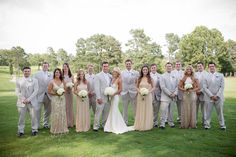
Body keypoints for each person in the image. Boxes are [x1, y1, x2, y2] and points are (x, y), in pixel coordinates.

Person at [104, 67, 134, 134]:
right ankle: (110, 126)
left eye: (115, 72)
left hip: (115, 97)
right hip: (111, 97)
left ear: (118, 73)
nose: (114, 73)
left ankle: (115, 126)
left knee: (114, 110)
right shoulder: (112, 79)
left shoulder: (119, 80)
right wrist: (109, 93)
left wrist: (113, 94)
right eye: (113, 71)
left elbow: (120, 90)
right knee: (111, 110)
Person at [15, 66, 39, 137]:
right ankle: (20, 131)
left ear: (30, 72)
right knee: (21, 117)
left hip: (31, 102)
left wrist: (28, 99)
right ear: (23, 72)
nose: (27, 72)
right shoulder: (18, 80)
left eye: (28, 71)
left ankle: (34, 130)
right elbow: (17, 91)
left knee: (33, 117)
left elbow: (36, 91)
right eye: (25, 71)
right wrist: (23, 99)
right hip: (21, 102)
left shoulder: (35, 80)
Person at [203, 62, 226, 130]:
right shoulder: (206, 76)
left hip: (219, 98)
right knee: (208, 112)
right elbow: (205, 87)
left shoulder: (221, 75)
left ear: (215, 67)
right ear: (208, 67)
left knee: (220, 112)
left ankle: (222, 125)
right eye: (210, 66)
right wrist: (211, 96)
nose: (211, 67)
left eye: (212, 66)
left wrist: (217, 96)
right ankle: (207, 125)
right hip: (209, 97)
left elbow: (222, 87)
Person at [48, 68, 69, 134]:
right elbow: (49, 91)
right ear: (54, 73)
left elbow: (65, 89)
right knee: (56, 113)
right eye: (56, 72)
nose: (57, 74)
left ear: (60, 74)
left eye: (58, 72)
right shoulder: (52, 82)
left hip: (62, 99)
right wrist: (56, 93)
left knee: (62, 112)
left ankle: (63, 128)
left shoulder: (63, 81)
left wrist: (62, 92)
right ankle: (55, 129)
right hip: (55, 99)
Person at [134, 65, 154, 131]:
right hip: (140, 96)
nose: (145, 71)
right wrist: (140, 92)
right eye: (143, 70)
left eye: (146, 70)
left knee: (147, 110)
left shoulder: (150, 79)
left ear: (148, 71)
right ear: (142, 71)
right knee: (141, 110)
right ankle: (140, 125)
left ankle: (147, 125)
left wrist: (148, 92)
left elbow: (154, 87)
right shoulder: (139, 78)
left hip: (148, 96)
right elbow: (136, 87)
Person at [93, 61, 112, 131]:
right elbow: (96, 87)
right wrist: (98, 98)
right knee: (98, 112)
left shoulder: (110, 76)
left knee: (106, 113)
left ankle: (104, 125)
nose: (105, 67)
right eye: (104, 66)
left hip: (108, 98)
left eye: (107, 66)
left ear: (108, 67)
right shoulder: (98, 76)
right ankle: (96, 126)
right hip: (101, 97)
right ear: (102, 67)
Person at [34, 62, 53, 129]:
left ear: (48, 67)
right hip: (39, 94)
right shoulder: (36, 74)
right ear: (42, 66)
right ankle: (37, 125)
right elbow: (34, 84)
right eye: (44, 66)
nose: (45, 67)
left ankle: (46, 124)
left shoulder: (51, 74)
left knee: (48, 111)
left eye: (46, 66)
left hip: (49, 95)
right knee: (37, 110)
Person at [159, 62, 178, 129]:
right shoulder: (162, 76)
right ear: (165, 67)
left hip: (173, 96)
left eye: (170, 66)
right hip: (165, 96)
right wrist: (170, 94)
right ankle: (162, 123)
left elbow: (177, 86)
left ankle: (171, 122)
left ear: (172, 67)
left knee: (171, 111)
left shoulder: (175, 76)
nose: (169, 67)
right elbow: (163, 87)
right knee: (163, 110)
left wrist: (175, 93)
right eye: (167, 66)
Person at [121, 59, 139, 125]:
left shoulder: (136, 73)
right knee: (124, 109)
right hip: (124, 92)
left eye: (129, 64)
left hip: (133, 92)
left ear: (131, 64)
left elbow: (138, 82)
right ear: (125, 65)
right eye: (127, 64)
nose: (128, 65)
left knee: (135, 109)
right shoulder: (122, 73)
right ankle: (124, 122)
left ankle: (136, 122)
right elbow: (120, 82)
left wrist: (137, 91)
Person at [195, 62, 208, 126]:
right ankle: (195, 121)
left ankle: (205, 122)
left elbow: (207, 85)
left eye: (200, 66)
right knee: (195, 109)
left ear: (203, 66)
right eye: (198, 66)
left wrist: (201, 91)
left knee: (204, 109)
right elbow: (193, 83)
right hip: (195, 94)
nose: (199, 67)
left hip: (203, 94)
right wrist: (196, 91)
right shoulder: (194, 74)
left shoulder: (207, 74)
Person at [62, 63, 74, 128]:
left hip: (70, 93)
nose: (65, 68)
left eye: (66, 67)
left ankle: (70, 123)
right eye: (64, 67)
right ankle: (65, 122)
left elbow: (74, 84)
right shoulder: (61, 76)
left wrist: (71, 87)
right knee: (65, 107)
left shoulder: (71, 76)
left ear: (68, 68)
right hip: (64, 93)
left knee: (70, 107)